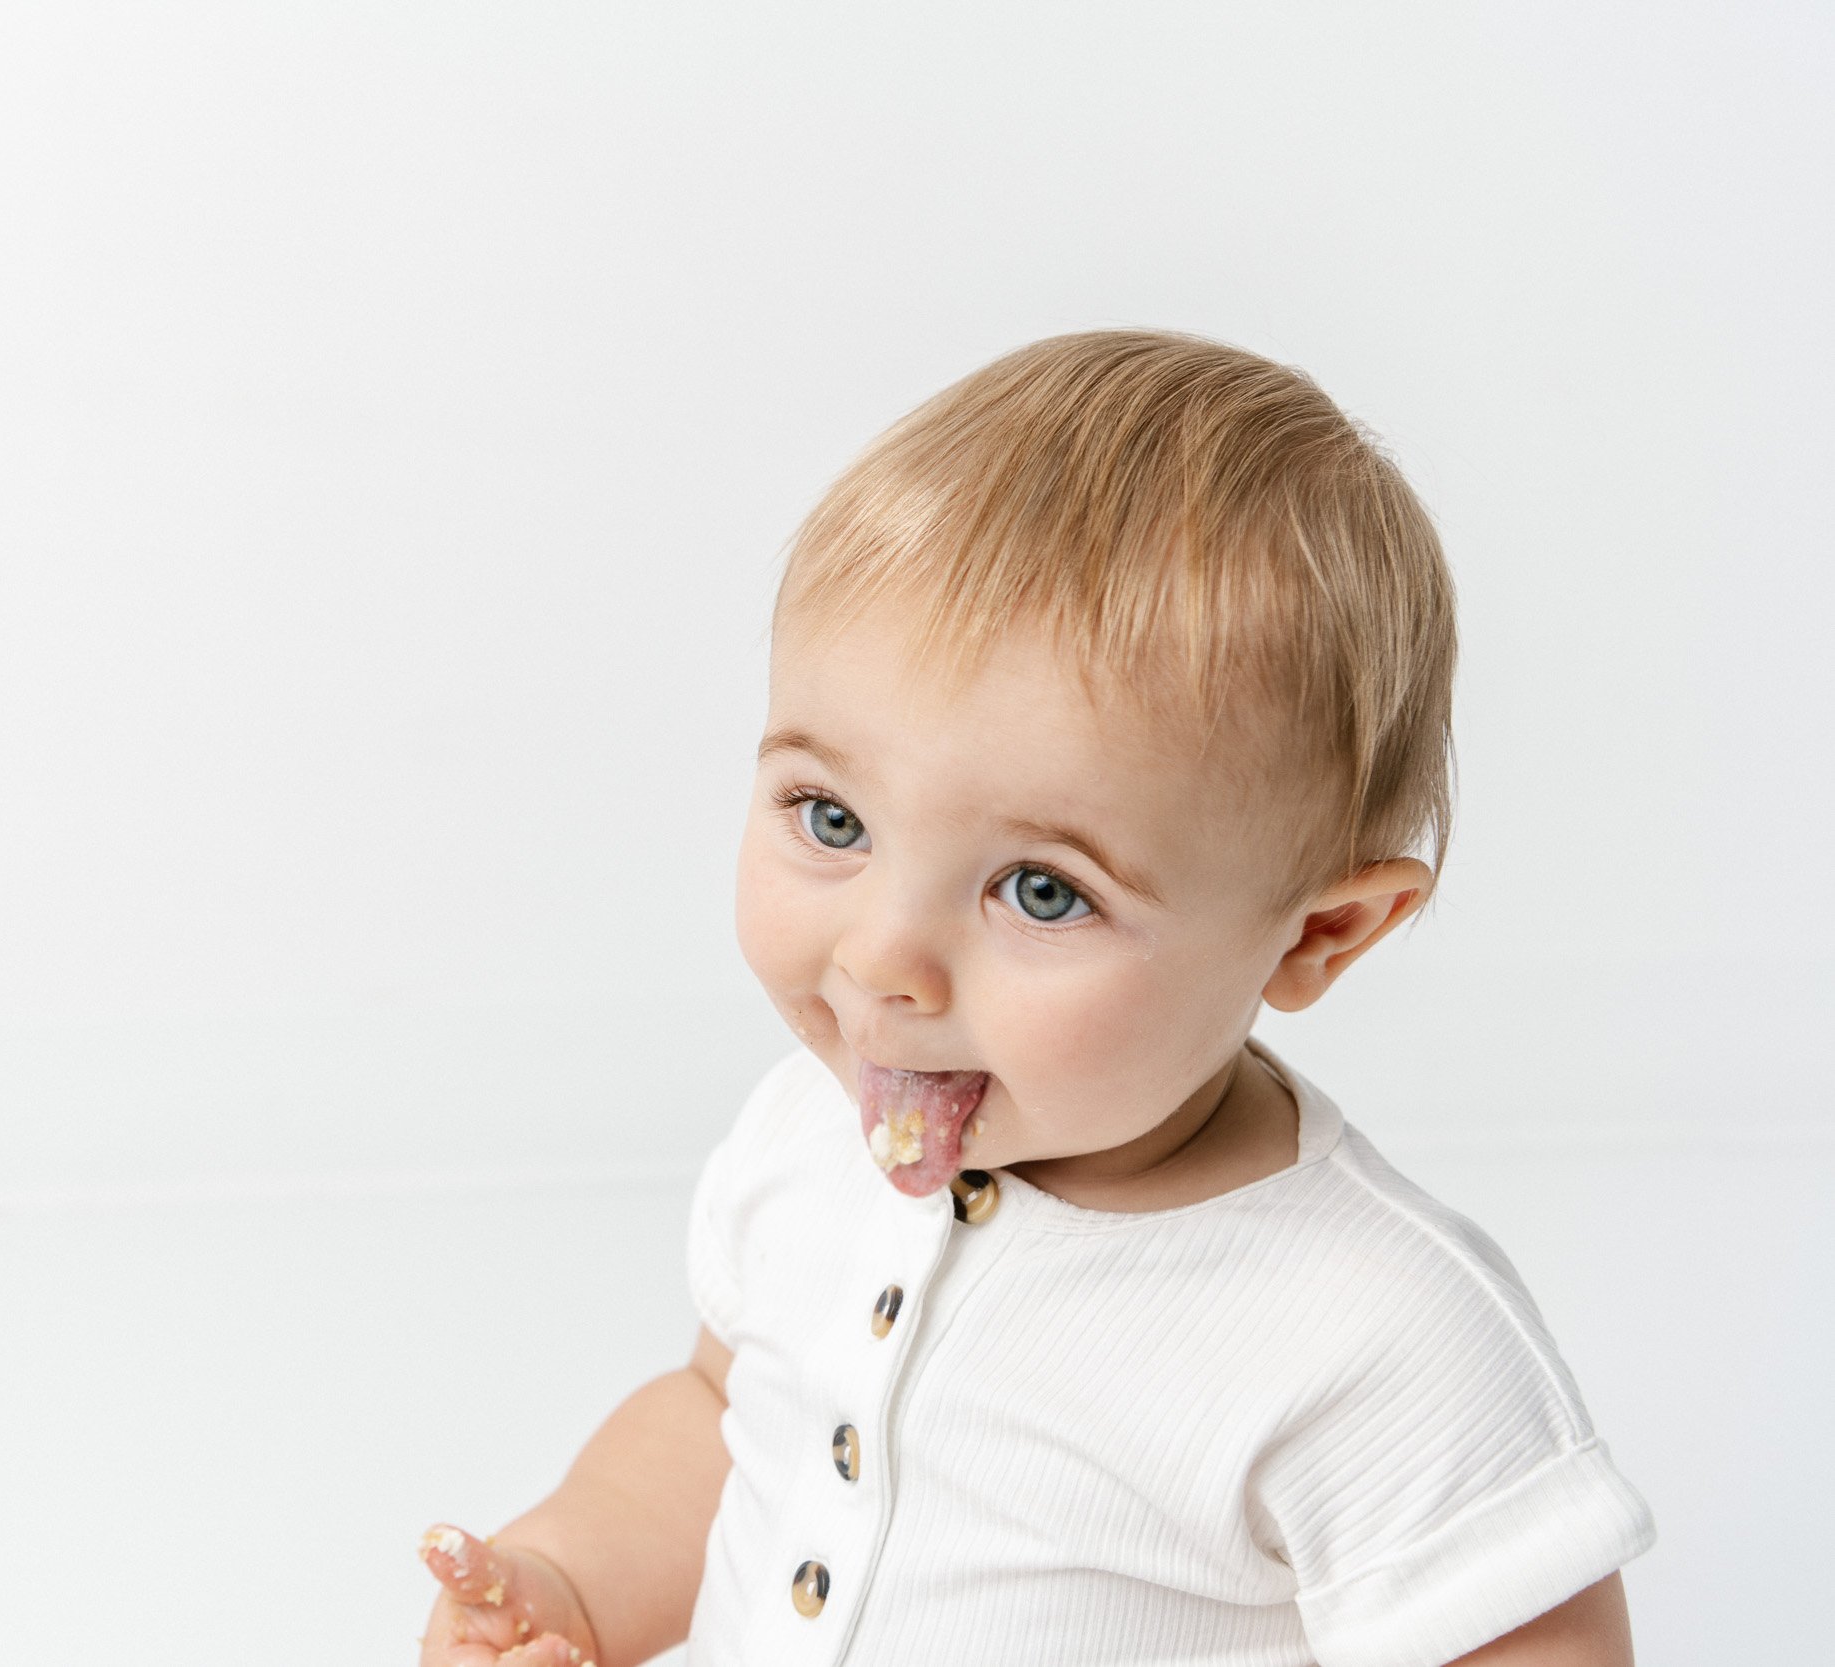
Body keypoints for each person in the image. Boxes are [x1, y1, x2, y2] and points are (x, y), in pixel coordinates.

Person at [414, 331, 1655, 1666]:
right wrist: (575, 1584)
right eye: (830, 817)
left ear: (1319, 934)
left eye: (1044, 893)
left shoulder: (1371, 1326)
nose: (885, 959)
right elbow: (724, 1418)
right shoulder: (801, 1142)